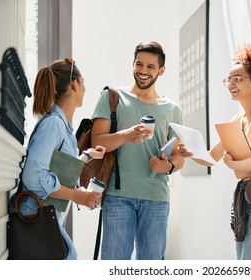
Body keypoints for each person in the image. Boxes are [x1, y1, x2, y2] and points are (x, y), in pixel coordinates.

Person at [178, 44, 251, 260]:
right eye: (229, 80)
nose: (231, 84)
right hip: (245, 198)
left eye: (238, 79)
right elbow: (211, 158)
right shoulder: (237, 120)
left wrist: (232, 164)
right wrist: (190, 150)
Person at [91, 41, 185, 260]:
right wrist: (126, 135)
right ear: (132, 64)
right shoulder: (112, 98)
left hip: (156, 198)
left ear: (161, 70)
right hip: (118, 197)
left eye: (150, 67)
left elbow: (179, 155)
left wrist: (169, 166)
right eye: (139, 64)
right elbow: (98, 142)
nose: (143, 71)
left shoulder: (172, 110)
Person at [16, 58, 106, 259]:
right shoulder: (53, 125)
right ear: (74, 85)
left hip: (47, 219)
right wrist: (76, 196)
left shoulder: (62, 125)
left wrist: (85, 156)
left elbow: (56, 167)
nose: (85, 88)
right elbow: (34, 177)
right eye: (82, 82)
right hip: (36, 220)